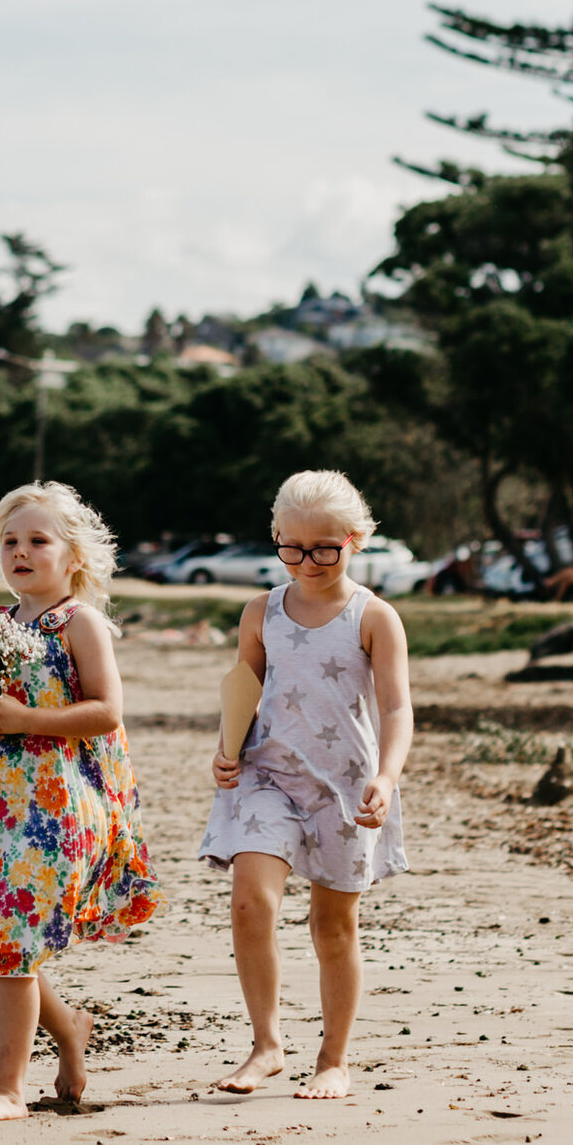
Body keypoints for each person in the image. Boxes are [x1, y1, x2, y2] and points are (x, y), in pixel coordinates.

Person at [0, 482, 164, 1121]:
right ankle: (69, 1030)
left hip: (60, 807)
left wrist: (24, 717)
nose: (21, 552)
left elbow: (106, 711)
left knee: (8, 941)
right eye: (9, 541)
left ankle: (7, 1086)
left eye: (38, 540)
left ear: (74, 555)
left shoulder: (78, 622)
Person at [201, 469, 414, 1101]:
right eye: (291, 548)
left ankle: (333, 1058)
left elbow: (397, 708)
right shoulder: (260, 610)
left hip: (346, 788)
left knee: (332, 927)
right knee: (250, 902)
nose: (307, 561)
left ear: (355, 540)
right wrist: (224, 750)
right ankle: (267, 1045)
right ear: (276, 539)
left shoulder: (374, 617)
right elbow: (244, 690)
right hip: (266, 776)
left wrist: (386, 774)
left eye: (324, 548)